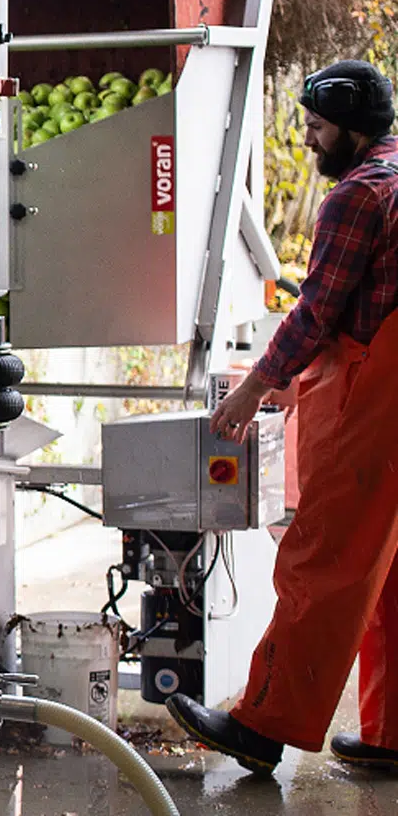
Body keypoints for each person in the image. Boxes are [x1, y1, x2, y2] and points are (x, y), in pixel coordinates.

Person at [165, 60, 398, 774]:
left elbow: (316, 313)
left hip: (380, 398)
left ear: (354, 131)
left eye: (318, 126)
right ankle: (390, 735)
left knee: (322, 562)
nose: (309, 140)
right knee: (388, 573)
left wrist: (252, 388)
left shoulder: (358, 196)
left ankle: (263, 725)